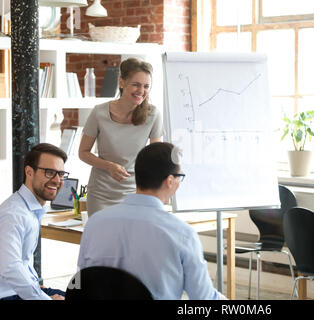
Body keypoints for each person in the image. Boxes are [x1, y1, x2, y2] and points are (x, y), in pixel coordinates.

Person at [77, 142, 226, 300]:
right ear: (169, 180)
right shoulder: (182, 233)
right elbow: (203, 298)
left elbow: (82, 282)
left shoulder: (95, 223)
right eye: (179, 178)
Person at [79, 58, 163, 216]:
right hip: (100, 193)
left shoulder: (153, 115)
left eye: (146, 86)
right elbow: (83, 152)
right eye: (136, 84)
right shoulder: (99, 112)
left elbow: (154, 159)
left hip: (135, 193)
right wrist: (108, 166)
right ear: (121, 83)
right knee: (102, 240)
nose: (141, 91)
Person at [0, 143, 68, 300]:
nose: (57, 180)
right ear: (29, 172)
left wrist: (33, 283)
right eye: (50, 172)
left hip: (17, 291)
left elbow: (22, 261)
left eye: (61, 174)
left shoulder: (29, 208)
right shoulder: (14, 214)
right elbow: (10, 268)